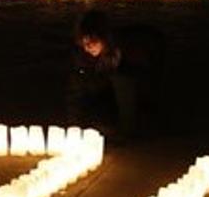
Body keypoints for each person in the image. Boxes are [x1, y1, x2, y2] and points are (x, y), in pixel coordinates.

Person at [68, 8, 163, 142]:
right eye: (84, 43)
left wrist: (125, 130)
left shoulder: (129, 53)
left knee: (122, 82)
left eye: (92, 42)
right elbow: (76, 93)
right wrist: (75, 128)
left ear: (104, 38)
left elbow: (138, 90)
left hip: (138, 94)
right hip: (108, 95)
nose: (87, 48)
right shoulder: (83, 57)